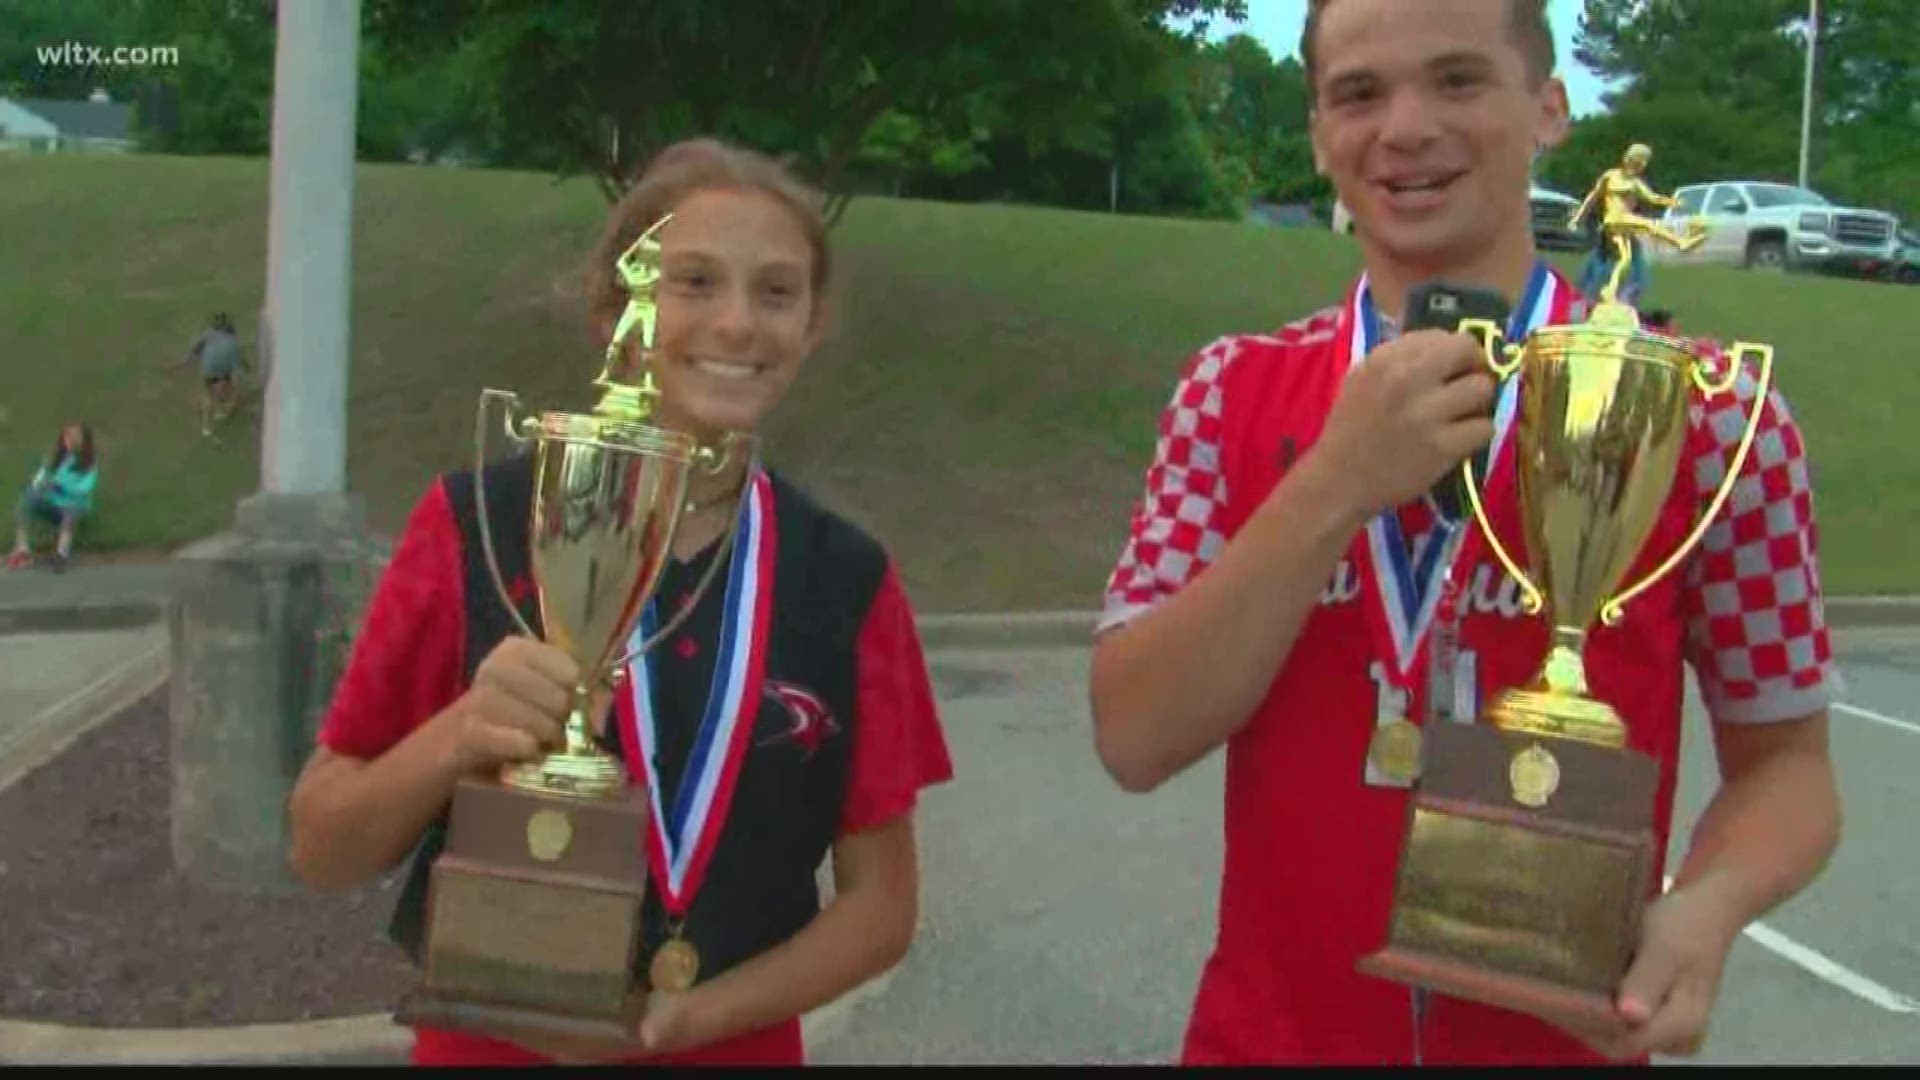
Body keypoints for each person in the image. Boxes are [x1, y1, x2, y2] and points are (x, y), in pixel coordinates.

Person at [1088, 0, 1840, 1066]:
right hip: (1266, 1043)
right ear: (1316, 134)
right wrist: (1333, 485)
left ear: (1547, 106)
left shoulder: (1710, 414)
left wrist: (1708, 905)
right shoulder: (1232, 391)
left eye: (1456, 80)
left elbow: (1790, 771)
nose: (1404, 128)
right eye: (1358, 93)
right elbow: (1135, 737)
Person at [288, 138, 954, 1067]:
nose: (736, 323)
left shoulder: (845, 582)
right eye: (691, 282)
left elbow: (882, 906)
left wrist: (689, 1019)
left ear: (811, 325)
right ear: (613, 309)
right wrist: (461, 734)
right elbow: (323, 846)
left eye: (775, 291)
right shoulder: (475, 524)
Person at [1570, 143, 1703, 304]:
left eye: (1642, 163)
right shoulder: (1610, 176)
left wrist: (1673, 202)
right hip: (1614, 219)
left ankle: (1611, 290)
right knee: (1649, 225)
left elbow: (1653, 198)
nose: (1641, 166)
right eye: (1640, 162)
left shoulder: (1635, 183)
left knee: (1625, 259)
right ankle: (1680, 242)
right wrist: (1578, 218)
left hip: (1622, 224)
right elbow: (1593, 196)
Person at [8, 422, 98, 573]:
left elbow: (84, 489)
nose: (68, 442)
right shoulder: (56, 459)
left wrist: (60, 487)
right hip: (53, 504)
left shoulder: (88, 464)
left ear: (83, 442)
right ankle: (23, 550)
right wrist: (35, 485)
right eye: (66, 438)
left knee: (70, 511)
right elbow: (41, 478)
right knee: (27, 500)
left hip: (73, 506)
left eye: (73, 439)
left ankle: (61, 555)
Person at [181, 312, 247, 437]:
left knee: (210, 397)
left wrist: (186, 362)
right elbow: (238, 365)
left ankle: (207, 427)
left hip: (210, 371)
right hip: (223, 371)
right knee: (228, 390)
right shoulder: (233, 343)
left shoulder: (208, 335)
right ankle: (221, 408)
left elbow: (195, 351)